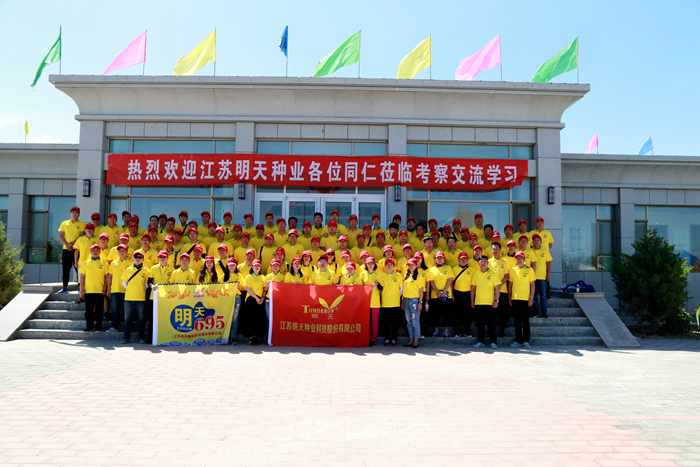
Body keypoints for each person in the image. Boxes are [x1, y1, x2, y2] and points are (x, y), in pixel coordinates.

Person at [471, 256, 501, 349]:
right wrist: (472, 301)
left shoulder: (493, 274)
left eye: (484, 261)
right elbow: (473, 288)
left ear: (487, 262)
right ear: (478, 263)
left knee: (491, 324)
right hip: (478, 303)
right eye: (481, 261)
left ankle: (493, 342)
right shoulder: (476, 274)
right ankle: (480, 341)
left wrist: (496, 300)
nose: (482, 263)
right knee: (480, 324)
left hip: (490, 303)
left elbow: (497, 288)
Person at [120, 251, 150, 344]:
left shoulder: (146, 270)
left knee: (141, 319)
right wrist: (130, 289)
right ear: (133, 258)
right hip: (129, 298)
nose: (138, 258)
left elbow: (147, 284)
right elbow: (124, 283)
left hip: (141, 298)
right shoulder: (128, 269)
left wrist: (140, 289)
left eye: (140, 257)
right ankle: (126, 337)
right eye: (136, 257)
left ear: (143, 259)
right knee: (127, 319)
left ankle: (141, 337)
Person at [508, 251, 536, 348]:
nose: (519, 260)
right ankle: (518, 340)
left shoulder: (530, 270)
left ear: (524, 259)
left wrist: (531, 298)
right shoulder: (512, 270)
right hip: (515, 299)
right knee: (517, 321)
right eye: (517, 258)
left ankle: (526, 341)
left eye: (521, 258)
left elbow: (533, 285)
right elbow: (510, 285)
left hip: (525, 299)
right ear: (515, 260)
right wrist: (509, 298)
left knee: (525, 321)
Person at [79, 244, 108, 332]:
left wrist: (105, 288)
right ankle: (89, 327)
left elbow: (106, 277)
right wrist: (82, 288)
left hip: (100, 290)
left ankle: (98, 327)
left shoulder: (104, 263)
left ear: (100, 251)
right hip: (88, 290)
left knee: (99, 310)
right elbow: (82, 277)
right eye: (93, 250)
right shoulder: (86, 263)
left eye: (97, 250)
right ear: (90, 251)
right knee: (89, 310)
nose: (95, 252)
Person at [57, 206, 86, 293]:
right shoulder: (64, 223)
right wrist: (66, 244)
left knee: (78, 268)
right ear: (70, 213)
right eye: (73, 212)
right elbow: (60, 236)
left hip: (77, 249)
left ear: (79, 214)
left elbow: (81, 236)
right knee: (65, 269)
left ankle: (79, 286)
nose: (74, 214)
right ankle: (65, 286)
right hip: (66, 249)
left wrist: (72, 244)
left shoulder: (81, 224)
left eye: (76, 212)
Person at [426, 251, 454, 338]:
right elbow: (431, 282)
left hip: (446, 295)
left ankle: (446, 331)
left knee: (447, 313)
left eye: (441, 258)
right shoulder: (431, 269)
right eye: (438, 258)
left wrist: (444, 291)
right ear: (435, 259)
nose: (439, 259)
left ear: (444, 259)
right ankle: (436, 331)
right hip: (435, 295)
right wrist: (437, 292)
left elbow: (450, 280)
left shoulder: (448, 268)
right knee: (436, 314)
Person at [105, 244, 131, 333]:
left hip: (126, 290)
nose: (121, 252)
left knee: (126, 311)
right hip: (115, 289)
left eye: (123, 251)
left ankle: (126, 328)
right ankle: (114, 327)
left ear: (127, 252)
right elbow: (109, 277)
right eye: (120, 251)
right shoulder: (113, 263)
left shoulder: (131, 263)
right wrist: (108, 289)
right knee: (115, 310)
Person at [379, 258, 403, 347]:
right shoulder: (382, 276)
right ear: (385, 266)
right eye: (387, 264)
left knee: (395, 323)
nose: (389, 266)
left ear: (394, 266)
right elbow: (380, 290)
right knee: (386, 323)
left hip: (395, 302)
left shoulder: (398, 275)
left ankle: (394, 338)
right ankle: (387, 338)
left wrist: (397, 296)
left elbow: (401, 288)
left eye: (391, 264)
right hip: (385, 302)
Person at [489, 242, 511, 337]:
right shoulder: (488, 262)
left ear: (500, 250)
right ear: (491, 250)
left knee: (503, 313)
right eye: (493, 249)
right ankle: (492, 332)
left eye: (497, 248)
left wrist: (499, 285)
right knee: (492, 313)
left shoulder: (505, 262)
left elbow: (506, 276)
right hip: (491, 291)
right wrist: (494, 286)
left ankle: (502, 331)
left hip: (503, 291)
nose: (495, 250)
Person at [402, 258, 424, 349]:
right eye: (409, 265)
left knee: (415, 321)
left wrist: (420, 302)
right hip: (406, 301)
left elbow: (421, 291)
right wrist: (403, 302)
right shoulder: (406, 276)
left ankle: (416, 339)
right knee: (409, 321)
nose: (411, 266)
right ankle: (411, 339)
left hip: (414, 301)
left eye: (413, 265)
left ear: (416, 266)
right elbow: (404, 290)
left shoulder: (419, 277)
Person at [244, 259, 268, 345]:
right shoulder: (249, 277)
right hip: (251, 299)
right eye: (255, 266)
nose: (257, 267)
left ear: (260, 267)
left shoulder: (263, 277)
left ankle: (257, 337)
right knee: (251, 319)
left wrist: (262, 298)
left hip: (260, 299)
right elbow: (248, 288)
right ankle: (251, 337)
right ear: (252, 267)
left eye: (258, 266)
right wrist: (256, 298)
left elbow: (264, 289)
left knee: (259, 319)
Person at [451, 252, 474, 338]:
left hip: (468, 293)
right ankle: (457, 332)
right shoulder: (454, 269)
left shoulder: (472, 270)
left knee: (467, 314)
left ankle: (467, 332)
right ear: (458, 260)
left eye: (465, 259)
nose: (463, 260)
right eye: (461, 259)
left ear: (467, 260)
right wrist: (452, 294)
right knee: (457, 314)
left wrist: (472, 297)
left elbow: (473, 285)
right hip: (457, 293)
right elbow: (451, 283)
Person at [361, 257, 382, 347]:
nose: (370, 265)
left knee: (374, 322)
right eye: (368, 263)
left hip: (375, 301)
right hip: (365, 301)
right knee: (365, 321)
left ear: (374, 265)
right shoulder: (362, 274)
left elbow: (381, 289)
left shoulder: (378, 275)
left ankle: (373, 339)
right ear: (366, 264)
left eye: (372, 263)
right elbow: (360, 288)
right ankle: (366, 338)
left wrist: (378, 285)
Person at [531, 234, 552, 318]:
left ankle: (544, 312)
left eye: (538, 240)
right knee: (534, 296)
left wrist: (548, 275)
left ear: (541, 242)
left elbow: (548, 264)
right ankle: (535, 311)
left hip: (542, 277)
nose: (536, 242)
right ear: (532, 242)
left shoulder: (545, 252)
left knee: (543, 296)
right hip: (532, 278)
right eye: (535, 240)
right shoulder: (530, 251)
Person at [225, 257, 243, 345]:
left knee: (235, 318)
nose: (231, 267)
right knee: (226, 317)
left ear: (236, 266)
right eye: (230, 265)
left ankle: (233, 337)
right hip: (226, 298)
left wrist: (238, 286)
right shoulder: (224, 276)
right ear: (227, 266)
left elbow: (243, 288)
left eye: (233, 265)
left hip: (236, 297)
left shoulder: (239, 276)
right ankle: (225, 336)